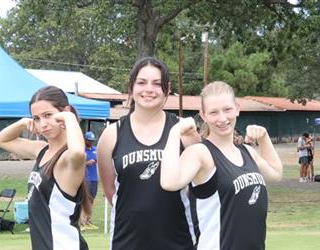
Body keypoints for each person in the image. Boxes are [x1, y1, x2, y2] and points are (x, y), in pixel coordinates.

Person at [161, 81, 283, 250]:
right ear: (203, 115)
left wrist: (264, 138)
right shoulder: (201, 153)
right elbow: (169, 182)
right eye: (213, 112)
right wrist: (175, 132)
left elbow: (276, 174)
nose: (222, 118)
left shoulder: (247, 151)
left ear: (237, 108)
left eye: (227, 109)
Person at [97, 56, 200, 250]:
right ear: (131, 87)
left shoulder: (183, 130)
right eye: (141, 82)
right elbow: (111, 192)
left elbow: (199, 186)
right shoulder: (111, 135)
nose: (149, 90)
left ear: (167, 89)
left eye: (157, 83)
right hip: (127, 240)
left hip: (177, 240)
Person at [0, 86, 90, 250]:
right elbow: (1, 140)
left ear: (64, 113)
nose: (43, 124)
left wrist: (69, 117)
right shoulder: (42, 150)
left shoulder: (66, 158)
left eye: (48, 115)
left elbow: (78, 153)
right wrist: (23, 123)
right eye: (37, 118)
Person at [81, 131, 99, 229]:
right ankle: (82, 221)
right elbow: (77, 164)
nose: (91, 142)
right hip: (85, 178)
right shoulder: (81, 150)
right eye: (89, 140)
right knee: (84, 199)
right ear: (85, 140)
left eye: (92, 141)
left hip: (94, 178)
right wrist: (87, 163)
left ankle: (88, 220)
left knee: (92, 199)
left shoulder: (95, 150)